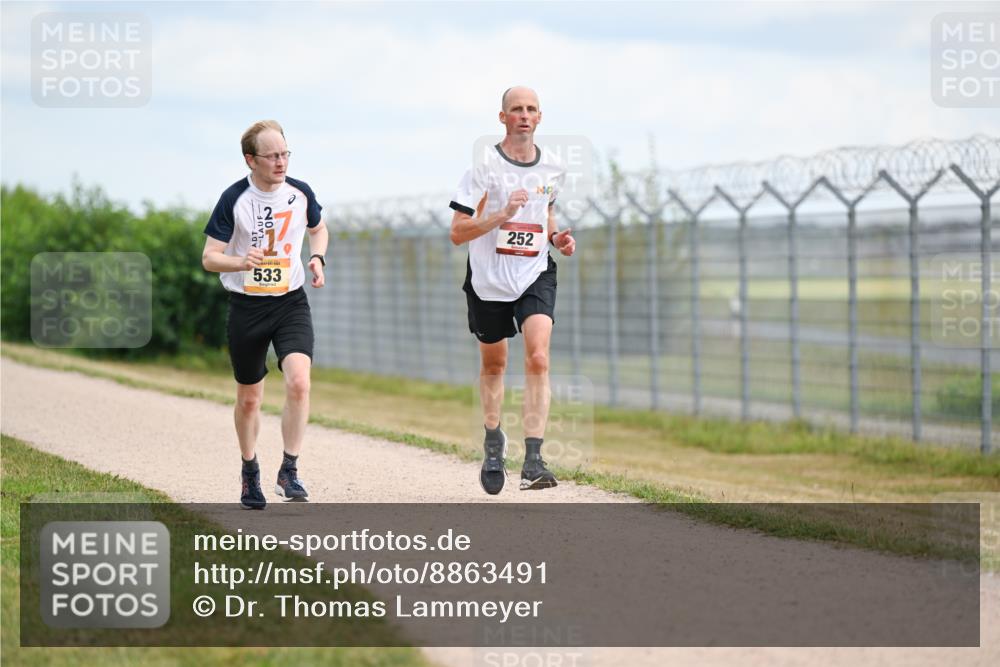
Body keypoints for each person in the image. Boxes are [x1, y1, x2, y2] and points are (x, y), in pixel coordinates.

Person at [448, 86, 576, 495]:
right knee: (495, 366)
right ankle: (492, 441)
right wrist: (500, 214)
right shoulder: (483, 169)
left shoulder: (553, 169)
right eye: (516, 109)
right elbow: (457, 233)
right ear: (502, 117)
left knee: (538, 357)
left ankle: (534, 458)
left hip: (535, 271)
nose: (524, 115)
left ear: (540, 117)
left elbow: (547, 214)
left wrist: (558, 239)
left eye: (531, 109)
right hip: (489, 279)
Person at [202, 120, 329, 509]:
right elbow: (209, 258)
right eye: (272, 155)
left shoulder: (300, 192)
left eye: (285, 154)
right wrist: (240, 261)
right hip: (247, 307)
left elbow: (319, 228)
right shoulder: (234, 199)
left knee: (299, 383)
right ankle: (249, 470)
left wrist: (317, 257)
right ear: (250, 160)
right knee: (250, 399)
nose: (281, 162)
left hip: (290, 301)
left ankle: (289, 470)